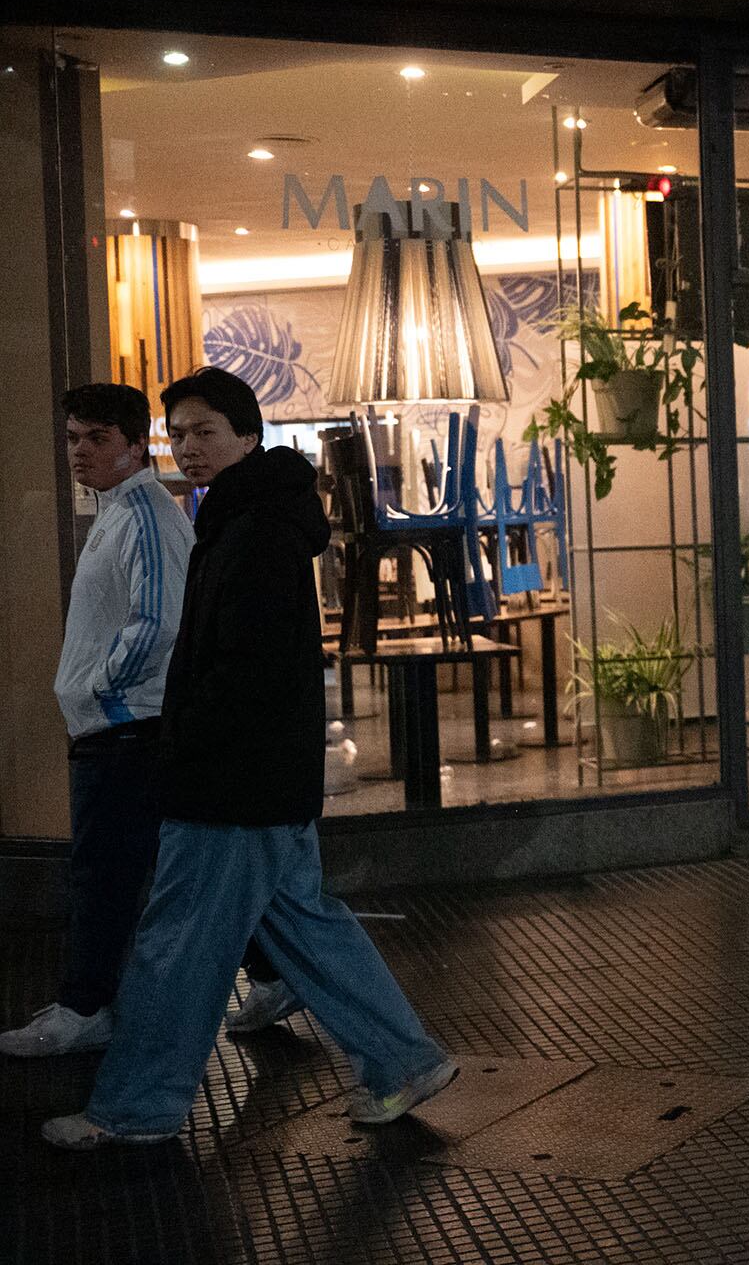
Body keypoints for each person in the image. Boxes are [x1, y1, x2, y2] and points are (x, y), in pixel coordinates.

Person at [42, 366, 454, 1150]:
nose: (190, 448)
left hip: (231, 781)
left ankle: (136, 1106)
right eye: (181, 434)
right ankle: (404, 1058)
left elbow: (245, 670)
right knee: (304, 925)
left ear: (247, 436)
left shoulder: (252, 530)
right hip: (265, 777)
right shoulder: (248, 519)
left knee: (177, 943)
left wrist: (189, 755)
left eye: (206, 432)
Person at [0, 385, 291, 1059]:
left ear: (134, 444)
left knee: (105, 871)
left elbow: (158, 623)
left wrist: (94, 687)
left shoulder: (142, 515)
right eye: (72, 437)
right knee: (172, 866)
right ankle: (275, 972)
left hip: (128, 724)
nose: (79, 451)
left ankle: (85, 1007)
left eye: (96, 438)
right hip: (128, 721)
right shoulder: (124, 509)